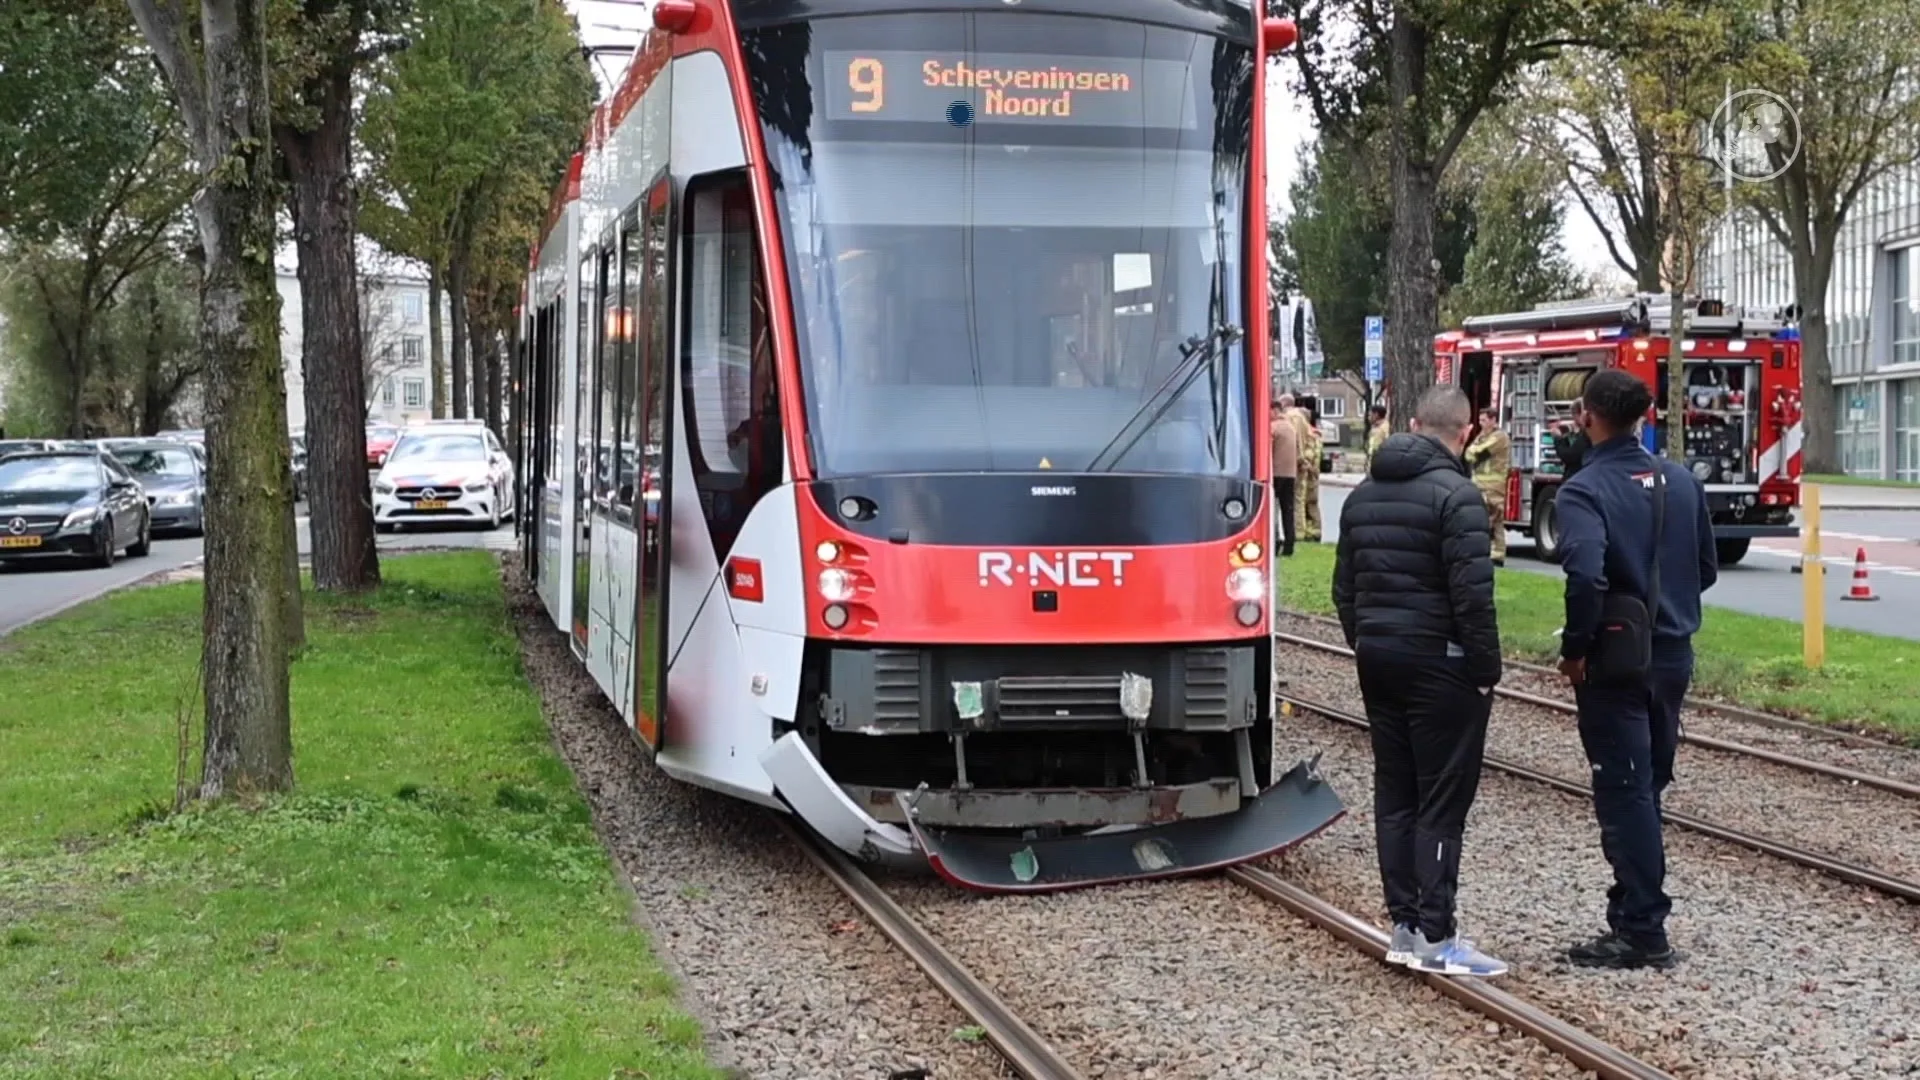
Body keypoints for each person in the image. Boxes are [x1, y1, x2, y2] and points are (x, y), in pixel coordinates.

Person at [1333, 383, 1506, 978]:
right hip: (1441, 662)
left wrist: (1368, 640)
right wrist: (1485, 672)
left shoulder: (1362, 495)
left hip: (1379, 657)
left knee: (1396, 790)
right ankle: (1437, 933)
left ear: (1411, 422)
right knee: (1440, 798)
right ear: (1468, 433)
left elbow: (1344, 590)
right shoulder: (1458, 497)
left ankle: (1403, 925)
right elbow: (1472, 597)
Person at [1554, 368, 1718, 971]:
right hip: (1673, 652)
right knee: (1647, 785)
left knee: (1624, 793)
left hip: (1616, 660)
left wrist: (1575, 650)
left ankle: (1643, 927)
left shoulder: (1583, 491)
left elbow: (1585, 577)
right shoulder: (1680, 481)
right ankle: (1631, 906)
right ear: (1643, 417)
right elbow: (1705, 567)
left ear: (1587, 416)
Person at [1463, 407, 1512, 566]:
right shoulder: (1482, 436)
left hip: (1493, 485)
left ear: (1493, 420)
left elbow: (1480, 453)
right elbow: (1468, 454)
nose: (1481, 424)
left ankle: (1495, 553)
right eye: (1480, 420)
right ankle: (1494, 553)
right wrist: (1473, 452)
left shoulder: (1499, 437)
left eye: (1484, 420)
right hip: (1482, 483)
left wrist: (1474, 452)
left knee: (1492, 519)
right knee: (1490, 519)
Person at [1270, 397, 1298, 557]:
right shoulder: (1290, 427)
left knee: (1272, 510)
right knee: (1288, 510)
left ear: (1275, 410)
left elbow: (1268, 450)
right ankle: (1290, 543)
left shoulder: (1272, 428)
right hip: (1290, 473)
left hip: (1275, 473)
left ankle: (1274, 542)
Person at [1290, 402, 1322, 542]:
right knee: (1306, 503)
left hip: (1310, 473)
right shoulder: (1310, 432)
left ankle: (1311, 532)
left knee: (1308, 503)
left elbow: (1312, 454)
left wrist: (1306, 464)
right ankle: (1310, 531)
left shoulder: (1312, 434)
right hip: (1309, 471)